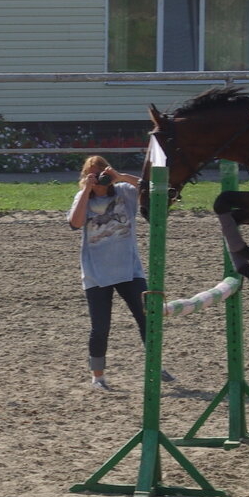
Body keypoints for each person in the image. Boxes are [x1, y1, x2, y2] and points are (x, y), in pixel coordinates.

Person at [67, 155, 173, 390]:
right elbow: (74, 223)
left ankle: (157, 365)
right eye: (92, 174)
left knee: (148, 319)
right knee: (101, 327)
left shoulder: (124, 191)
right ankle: (97, 377)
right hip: (96, 273)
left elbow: (154, 189)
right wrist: (86, 189)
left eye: (101, 173)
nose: (99, 180)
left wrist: (119, 176)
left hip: (129, 269)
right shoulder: (82, 198)